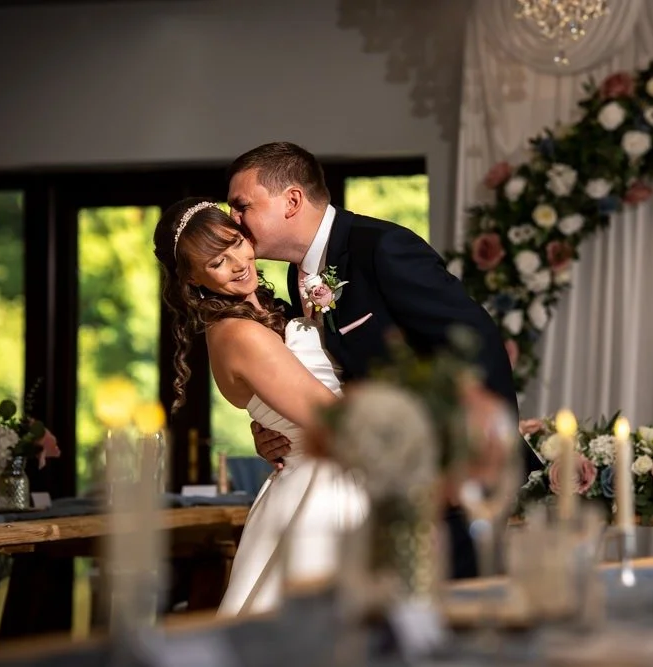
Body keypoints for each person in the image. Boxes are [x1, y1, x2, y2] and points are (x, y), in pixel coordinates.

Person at [227, 142, 539, 578]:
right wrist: (279, 429)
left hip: (446, 482)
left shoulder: (381, 248)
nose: (233, 222)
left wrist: (469, 467)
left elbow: (476, 346)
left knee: (454, 624)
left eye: (242, 206)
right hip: (379, 484)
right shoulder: (294, 274)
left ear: (292, 200)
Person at [153, 199, 366, 616]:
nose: (237, 263)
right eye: (217, 261)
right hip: (324, 488)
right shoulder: (237, 335)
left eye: (236, 243)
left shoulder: (270, 310)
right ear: (192, 279)